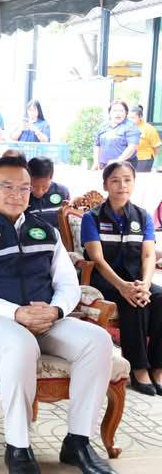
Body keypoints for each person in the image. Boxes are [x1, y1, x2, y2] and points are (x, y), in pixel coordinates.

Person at [0, 155, 114, 474]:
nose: (17, 194)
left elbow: (67, 282)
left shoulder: (45, 230)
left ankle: (78, 442)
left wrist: (56, 309)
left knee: (98, 340)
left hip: (45, 319)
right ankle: (19, 448)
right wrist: (14, 313)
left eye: (24, 187)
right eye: (7, 186)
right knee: (20, 343)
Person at [82, 161, 162, 396]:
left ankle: (158, 367)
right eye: (115, 180)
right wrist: (122, 286)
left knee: (159, 297)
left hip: (136, 279)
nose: (122, 185)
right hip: (105, 280)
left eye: (127, 180)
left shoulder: (143, 216)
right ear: (105, 185)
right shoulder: (92, 217)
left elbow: (148, 254)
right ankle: (138, 368)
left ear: (134, 183)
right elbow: (97, 259)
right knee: (132, 300)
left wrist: (145, 283)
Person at [93, 100, 140, 170]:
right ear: (109, 113)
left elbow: (132, 147)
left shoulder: (131, 127)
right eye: (115, 110)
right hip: (103, 165)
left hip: (124, 166)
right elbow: (97, 145)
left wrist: (118, 161)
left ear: (126, 113)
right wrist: (96, 162)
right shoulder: (103, 126)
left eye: (121, 111)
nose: (118, 113)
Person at [26, 157, 69, 228]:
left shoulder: (62, 192)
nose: (39, 192)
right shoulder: (21, 195)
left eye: (44, 187)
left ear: (51, 178)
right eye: (34, 186)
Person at [127, 105, 160, 172]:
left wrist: (151, 158)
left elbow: (156, 147)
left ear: (140, 117)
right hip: (128, 158)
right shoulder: (127, 127)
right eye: (128, 118)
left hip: (143, 159)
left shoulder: (149, 129)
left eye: (133, 118)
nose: (130, 120)